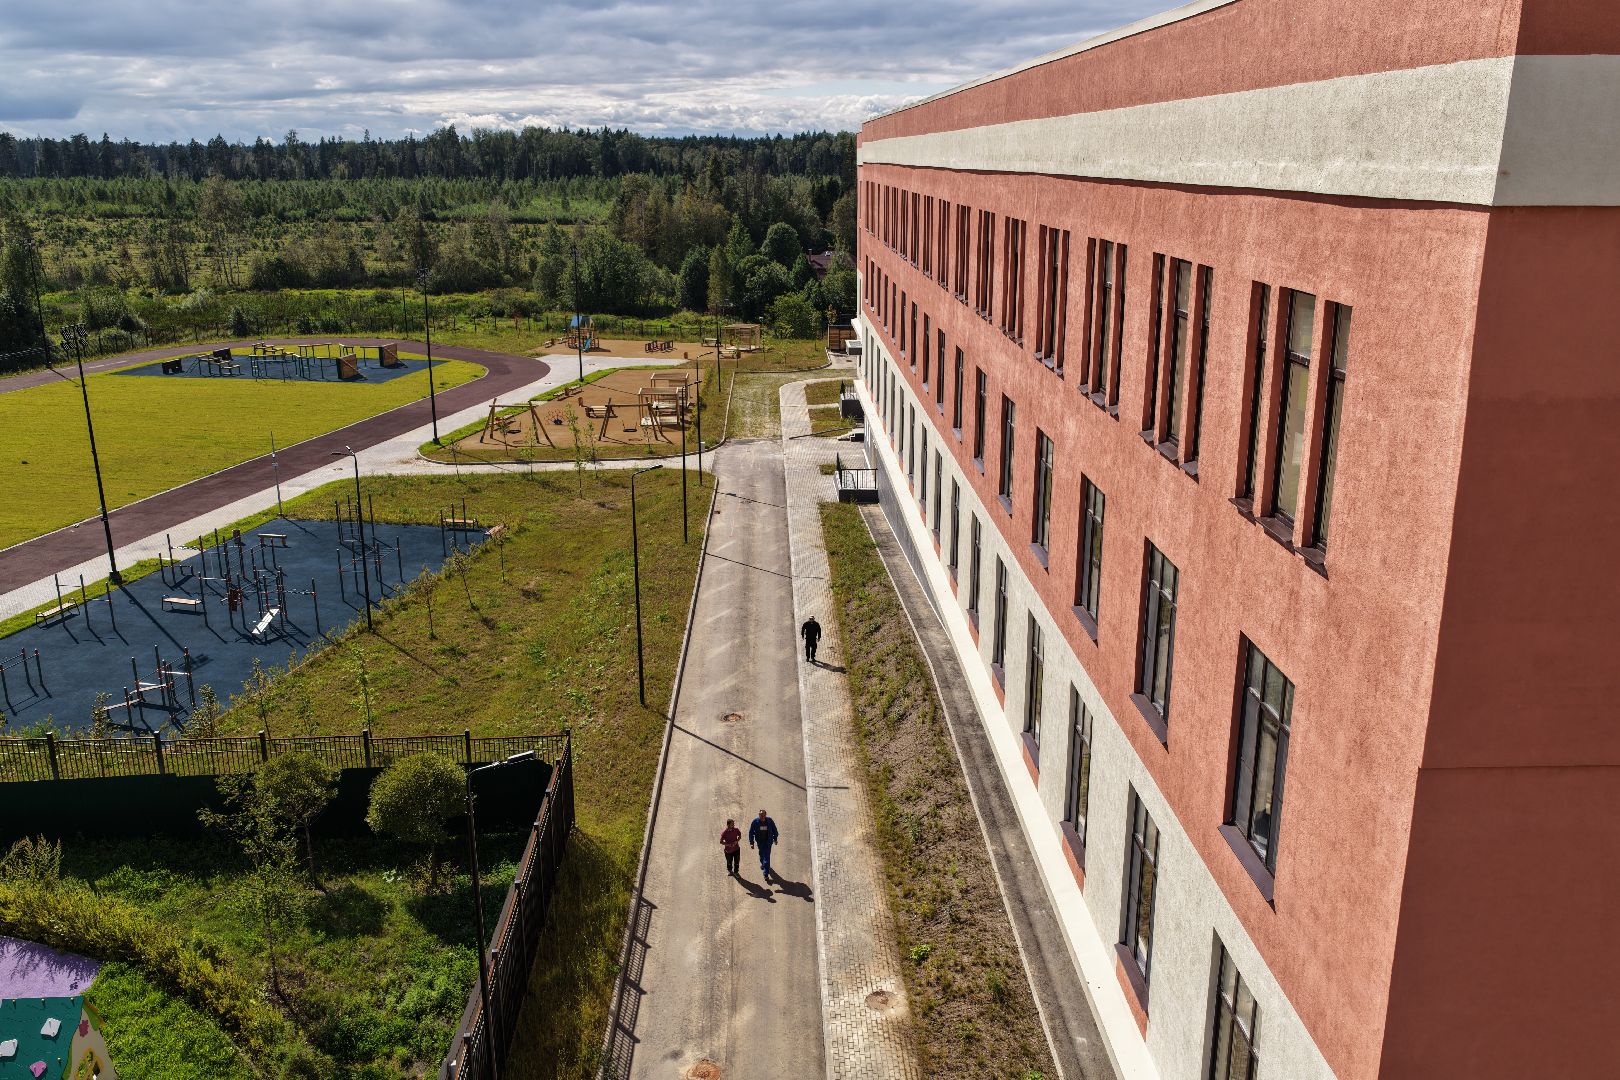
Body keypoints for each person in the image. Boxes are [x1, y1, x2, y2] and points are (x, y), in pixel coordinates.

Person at [748, 809, 780, 878]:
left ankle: (766, 873)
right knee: (761, 855)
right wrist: (751, 842)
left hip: (768, 842)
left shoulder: (769, 821)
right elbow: (751, 832)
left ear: (766, 815)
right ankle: (763, 864)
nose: (762, 816)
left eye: (763, 815)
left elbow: (774, 829)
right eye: (760, 815)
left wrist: (775, 839)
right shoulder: (755, 822)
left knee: (767, 857)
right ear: (759, 815)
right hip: (760, 842)